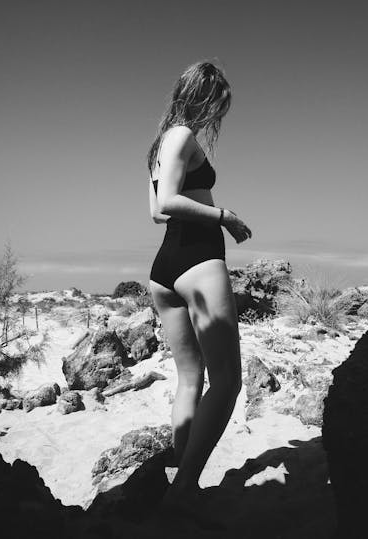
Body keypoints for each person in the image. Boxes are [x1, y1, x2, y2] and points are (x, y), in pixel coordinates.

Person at [147, 61, 251, 512]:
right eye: (218, 105)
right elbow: (166, 204)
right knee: (227, 382)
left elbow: (156, 207)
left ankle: (178, 481)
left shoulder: (158, 144)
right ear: (203, 96)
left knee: (191, 379)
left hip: (166, 267)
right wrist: (223, 216)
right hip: (197, 261)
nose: (217, 117)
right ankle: (183, 491)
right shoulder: (183, 135)